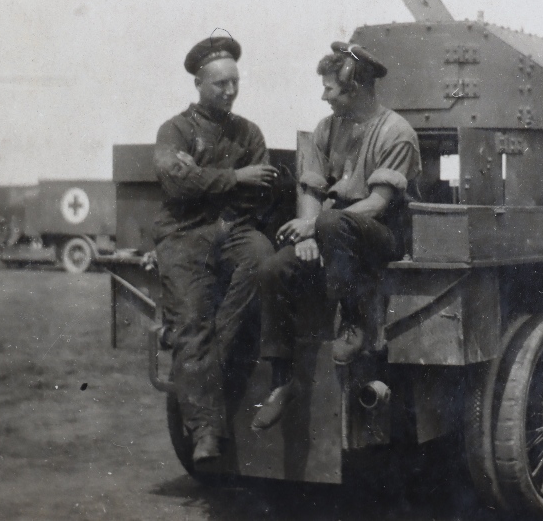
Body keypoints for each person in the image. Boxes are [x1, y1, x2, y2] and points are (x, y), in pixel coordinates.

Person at [251, 41, 421, 431]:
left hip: (381, 236)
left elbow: (378, 204)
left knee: (332, 222)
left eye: (329, 88)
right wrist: (307, 236)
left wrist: (315, 226)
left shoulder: (397, 132)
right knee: (272, 271)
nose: (323, 95)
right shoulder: (326, 129)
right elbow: (311, 188)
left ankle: (355, 325)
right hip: (331, 233)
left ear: (355, 88)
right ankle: (281, 381)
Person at [153, 35, 278, 462]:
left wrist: (207, 178)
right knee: (190, 321)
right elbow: (175, 182)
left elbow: (259, 192)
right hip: (184, 236)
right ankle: (205, 431)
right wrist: (235, 178)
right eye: (220, 84)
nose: (229, 91)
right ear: (199, 85)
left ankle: (207, 368)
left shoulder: (249, 132)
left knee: (262, 258)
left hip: (234, 231)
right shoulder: (175, 131)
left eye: (235, 83)